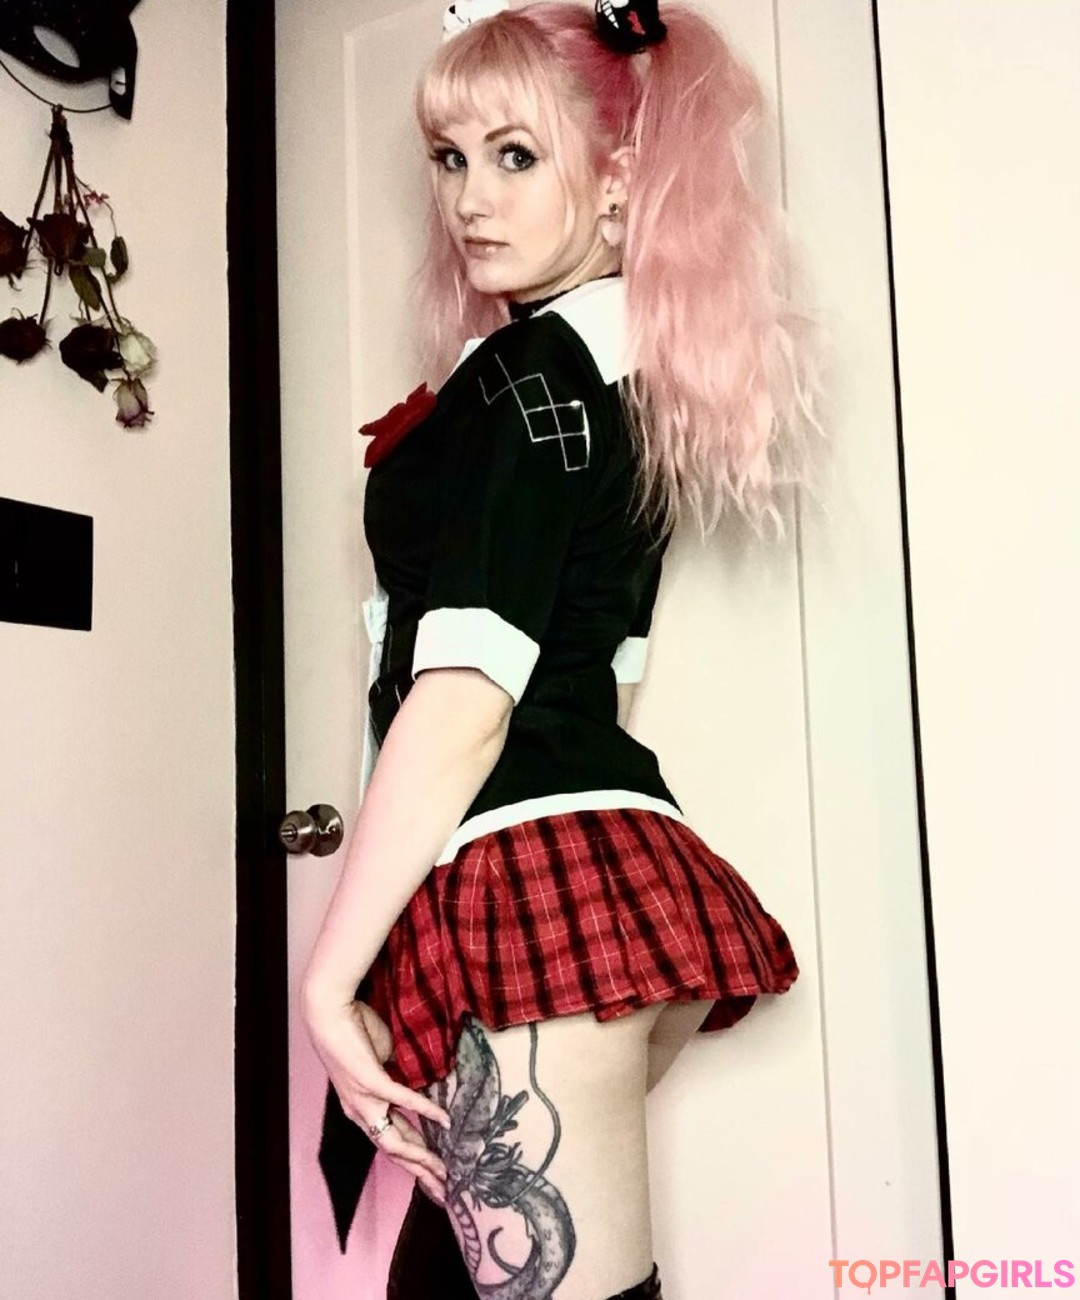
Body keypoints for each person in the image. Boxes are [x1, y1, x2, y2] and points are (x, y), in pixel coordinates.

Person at [302, 2, 821, 1297]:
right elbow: (611, 667)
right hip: (584, 863)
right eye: (450, 157)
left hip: (527, 878)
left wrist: (329, 978)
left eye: (516, 155)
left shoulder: (531, 376)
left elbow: (468, 696)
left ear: (621, 178)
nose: (470, 198)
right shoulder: (622, 370)